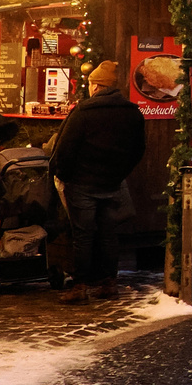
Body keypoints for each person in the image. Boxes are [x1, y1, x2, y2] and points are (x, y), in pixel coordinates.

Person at [51, 60, 146, 303]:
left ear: (96, 86)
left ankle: (80, 286)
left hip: (82, 184)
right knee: (108, 234)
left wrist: (65, 175)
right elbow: (138, 150)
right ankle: (109, 283)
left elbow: (64, 149)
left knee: (83, 236)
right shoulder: (132, 112)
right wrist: (119, 173)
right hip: (112, 183)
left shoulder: (84, 111)